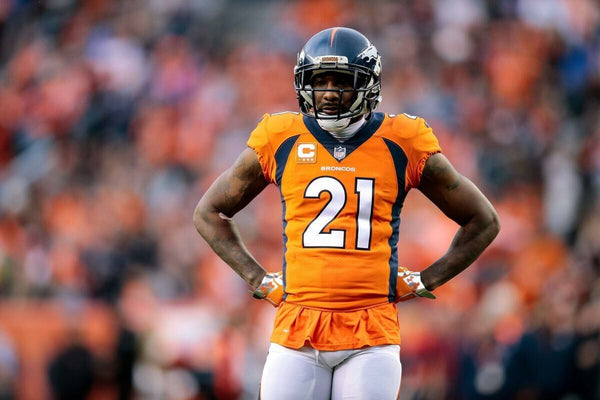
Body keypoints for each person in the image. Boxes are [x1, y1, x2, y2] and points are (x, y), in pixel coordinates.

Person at [194, 27, 500, 400]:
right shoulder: (280, 136)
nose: (328, 92)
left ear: (368, 84)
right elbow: (209, 212)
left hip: (371, 329)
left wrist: (426, 279)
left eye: (340, 81)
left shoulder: (402, 139)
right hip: (298, 325)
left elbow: (483, 220)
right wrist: (257, 278)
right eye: (319, 81)